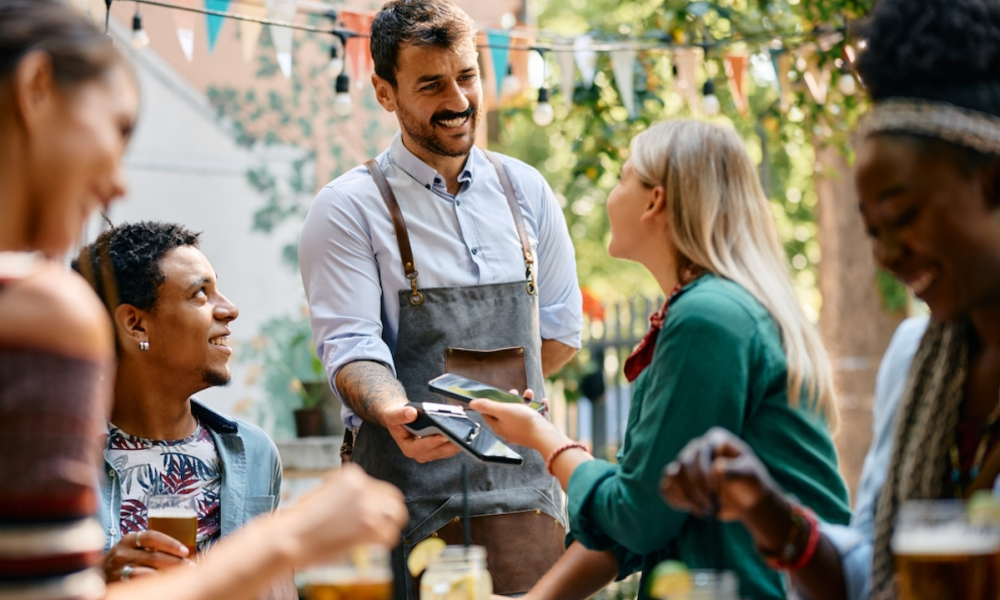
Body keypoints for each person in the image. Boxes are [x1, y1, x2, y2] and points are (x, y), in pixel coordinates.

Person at [0, 2, 406, 600]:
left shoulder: (248, 452)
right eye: (116, 130)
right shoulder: (38, 315)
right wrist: (290, 538)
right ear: (37, 88)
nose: (117, 182)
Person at [659, 1, 1000, 599]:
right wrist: (764, 506)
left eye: (904, 216)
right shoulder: (914, 358)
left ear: (993, 182)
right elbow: (871, 580)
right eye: (872, 230)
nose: (887, 254)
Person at [471, 119, 851, 600]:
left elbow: (636, 515)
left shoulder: (707, 319)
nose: (612, 194)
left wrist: (542, 438)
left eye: (623, 177)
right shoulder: (710, 309)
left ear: (655, 201)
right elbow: (642, 516)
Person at [298, 0, 583, 597]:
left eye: (468, 76)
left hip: (526, 503)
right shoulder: (348, 208)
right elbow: (351, 348)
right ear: (384, 91)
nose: (457, 100)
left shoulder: (526, 190)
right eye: (431, 84)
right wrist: (396, 412)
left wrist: (491, 406)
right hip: (405, 504)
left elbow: (557, 336)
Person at [70, 221, 287, 598]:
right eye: (201, 294)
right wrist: (96, 584)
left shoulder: (254, 452)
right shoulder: (59, 460)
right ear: (136, 325)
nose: (230, 310)